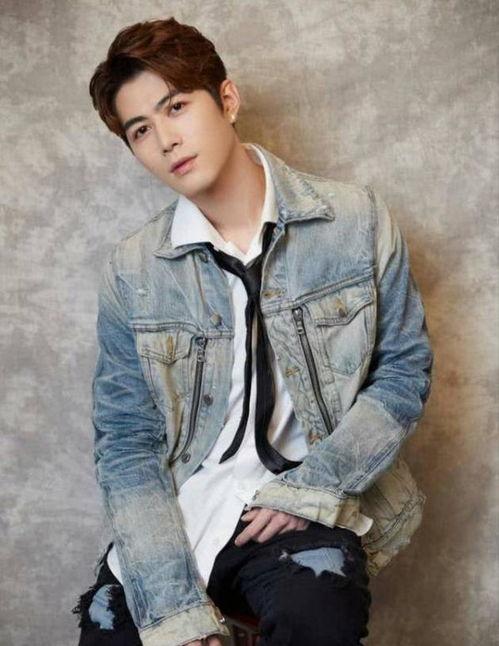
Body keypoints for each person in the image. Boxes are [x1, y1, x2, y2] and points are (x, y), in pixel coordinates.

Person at [72, 16, 434, 646]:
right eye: (141, 129)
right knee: (111, 635)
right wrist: (176, 613)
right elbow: (126, 439)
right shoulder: (133, 270)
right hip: (180, 512)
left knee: (317, 618)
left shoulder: (355, 221)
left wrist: (313, 487)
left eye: (176, 107)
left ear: (228, 100)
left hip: (306, 497)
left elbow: (402, 373)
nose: (166, 140)